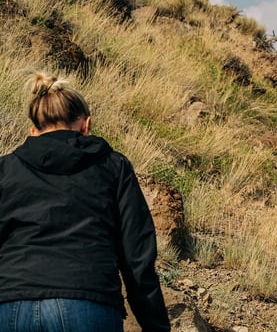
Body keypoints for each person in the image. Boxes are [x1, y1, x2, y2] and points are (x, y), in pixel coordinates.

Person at [0, 72, 170, 332]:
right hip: (87, 303)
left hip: (10, 304)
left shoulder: (5, 169)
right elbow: (137, 257)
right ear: (86, 125)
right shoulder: (114, 166)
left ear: (33, 131)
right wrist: (156, 326)